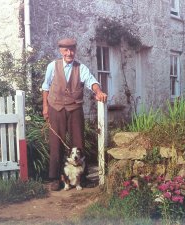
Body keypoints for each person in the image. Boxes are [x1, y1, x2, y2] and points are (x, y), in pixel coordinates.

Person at [41, 38, 107, 191]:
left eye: (71, 50)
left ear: (75, 50)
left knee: (79, 143)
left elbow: (91, 81)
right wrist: (45, 107)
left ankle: (81, 178)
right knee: (56, 144)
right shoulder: (53, 66)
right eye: (66, 50)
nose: (69, 53)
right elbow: (45, 87)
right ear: (61, 51)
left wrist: (98, 91)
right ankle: (55, 179)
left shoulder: (80, 67)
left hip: (75, 108)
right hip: (55, 107)